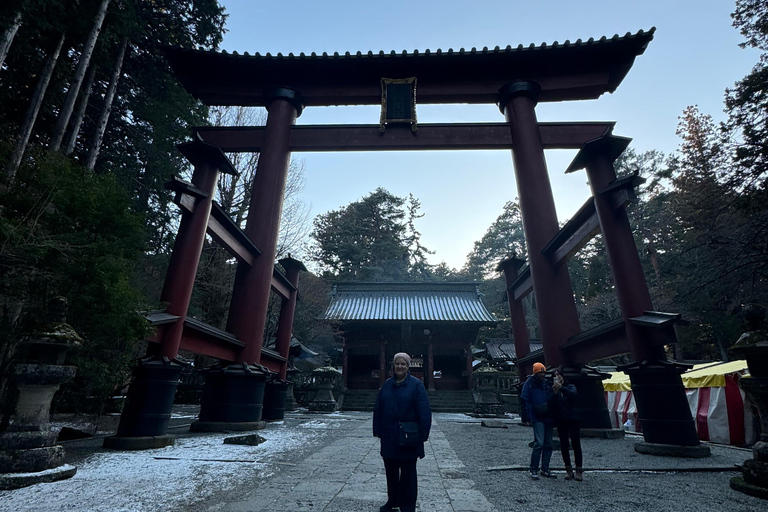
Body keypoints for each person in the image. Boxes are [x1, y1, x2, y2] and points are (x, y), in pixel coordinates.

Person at [373, 352, 432, 512]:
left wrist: (423, 435)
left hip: (408, 436)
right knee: (390, 472)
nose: (399, 367)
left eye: (403, 364)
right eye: (397, 364)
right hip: (389, 434)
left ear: (408, 366)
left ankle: (407, 506)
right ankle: (393, 500)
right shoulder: (387, 384)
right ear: (394, 365)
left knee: (408, 474)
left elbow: (424, 411)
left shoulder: (416, 385)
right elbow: (378, 407)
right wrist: (377, 429)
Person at [520, 362, 555, 480]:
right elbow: (524, 399)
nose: (543, 374)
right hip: (536, 415)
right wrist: (526, 417)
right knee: (539, 443)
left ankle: (545, 468)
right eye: (540, 372)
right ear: (536, 372)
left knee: (549, 443)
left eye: (544, 372)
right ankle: (533, 468)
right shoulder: (529, 383)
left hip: (548, 415)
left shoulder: (547, 383)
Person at [551, 368, 583, 481]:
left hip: (573, 418)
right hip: (561, 420)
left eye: (559, 375)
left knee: (576, 444)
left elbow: (574, 396)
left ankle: (579, 470)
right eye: (555, 376)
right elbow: (551, 405)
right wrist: (555, 394)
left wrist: (562, 389)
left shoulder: (570, 387)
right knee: (564, 445)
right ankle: (568, 470)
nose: (557, 377)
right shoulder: (554, 390)